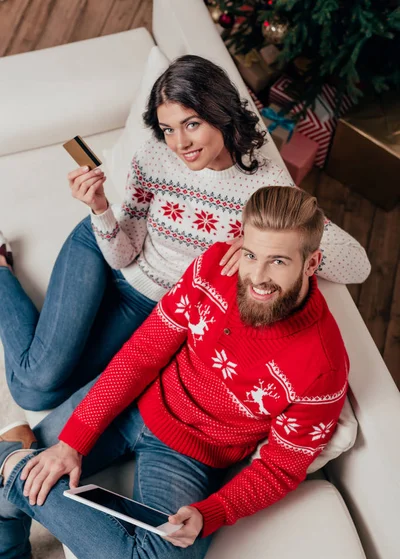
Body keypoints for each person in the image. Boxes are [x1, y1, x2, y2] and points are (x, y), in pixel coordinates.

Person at [0, 186, 349, 559]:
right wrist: (72, 441)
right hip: (136, 402)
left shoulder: (323, 367)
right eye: (252, 254)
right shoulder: (216, 265)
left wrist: (210, 513)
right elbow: (142, 354)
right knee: (12, 504)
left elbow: (280, 467)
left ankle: (11, 458)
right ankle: (10, 552)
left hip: (192, 457)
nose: (256, 276)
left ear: (312, 263)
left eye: (278, 261)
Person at [0, 55, 368, 413]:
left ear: (220, 113)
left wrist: (260, 241)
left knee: (36, 396)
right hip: (101, 248)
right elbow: (122, 253)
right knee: (40, 376)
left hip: (149, 305)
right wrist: (99, 208)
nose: (180, 144)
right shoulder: (156, 157)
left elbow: (357, 266)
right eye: (168, 129)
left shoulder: (265, 188)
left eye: (191, 124)